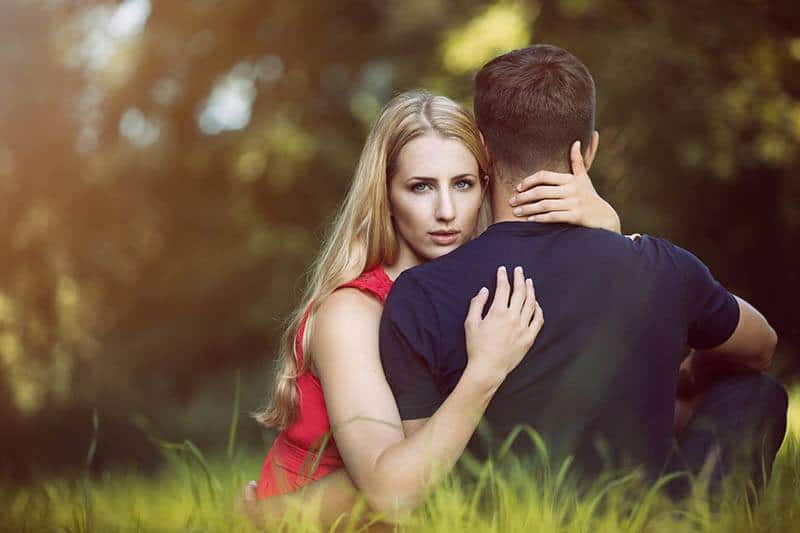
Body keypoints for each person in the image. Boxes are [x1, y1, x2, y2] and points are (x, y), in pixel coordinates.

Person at [378, 44, 788, 509]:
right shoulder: (661, 266)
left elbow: (423, 480)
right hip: (654, 513)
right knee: (754, 393)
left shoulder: (418, 293)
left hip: (501, 510)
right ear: (588, 151)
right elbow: (760, 346)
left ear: (483, 152)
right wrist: (694, 370)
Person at [244, 90, 624, 524]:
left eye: (462, 184)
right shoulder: (351, 313)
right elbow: (389, 490)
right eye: (420, 187)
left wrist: (607, 234)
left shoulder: (487, 287)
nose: (446, 211)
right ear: (386, 194)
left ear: (486, 184)